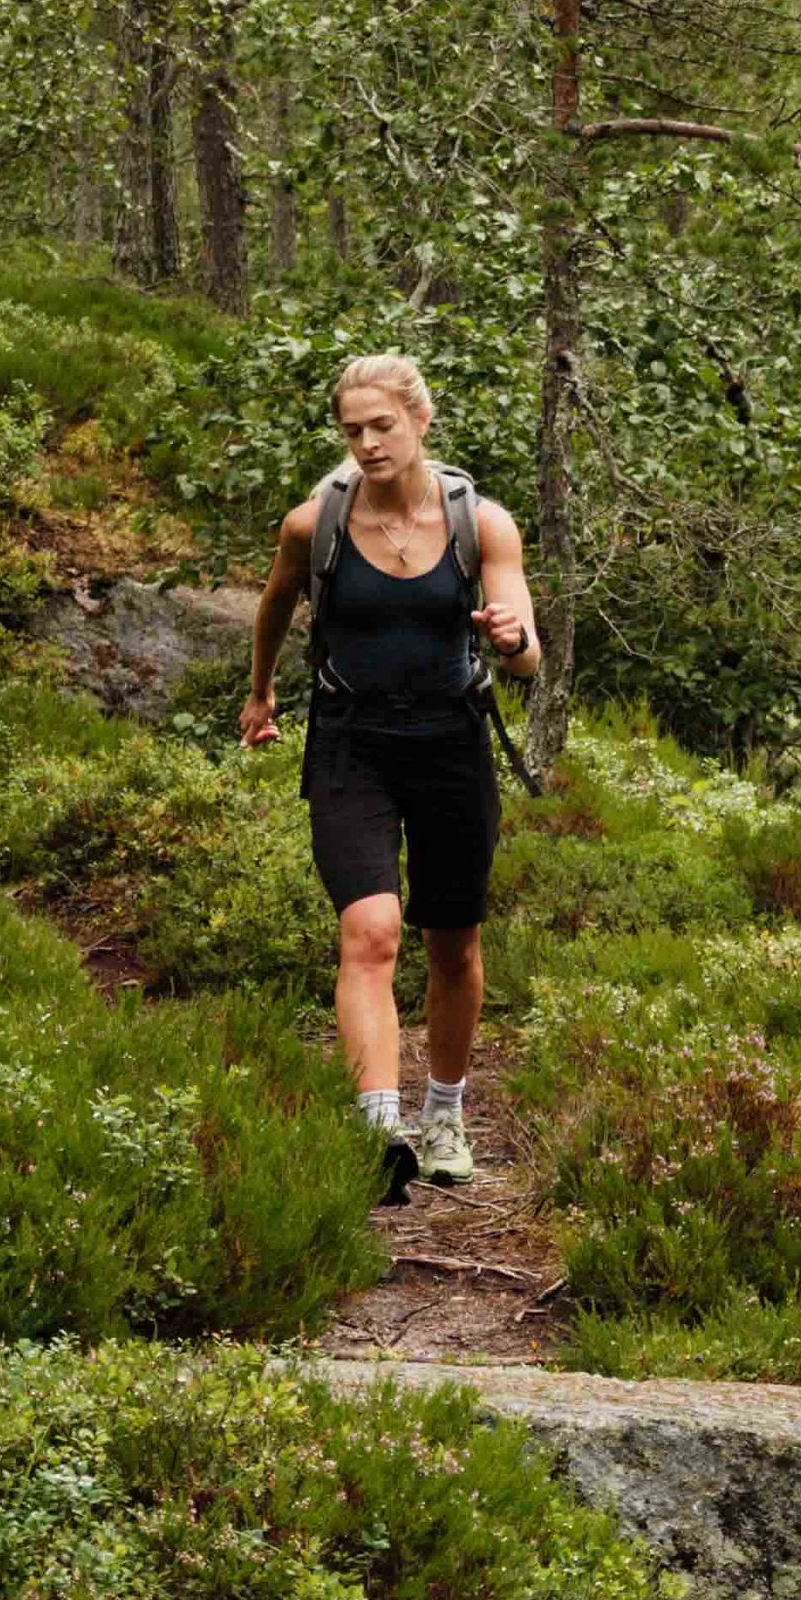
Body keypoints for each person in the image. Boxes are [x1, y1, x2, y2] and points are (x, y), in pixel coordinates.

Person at [221, 350, 540, 1192]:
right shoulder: (313, 523)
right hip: (351, 741)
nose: (365, 443)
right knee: (370, 932)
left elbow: (528, 658)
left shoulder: (484, 524)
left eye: (381, 425)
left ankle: (444, 1115)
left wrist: (511, 639)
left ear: (421, 421)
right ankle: (378, 1133)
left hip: (450, 740)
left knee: (453, 941)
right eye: (351, 429)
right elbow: (277, 602)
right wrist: (260, 695)